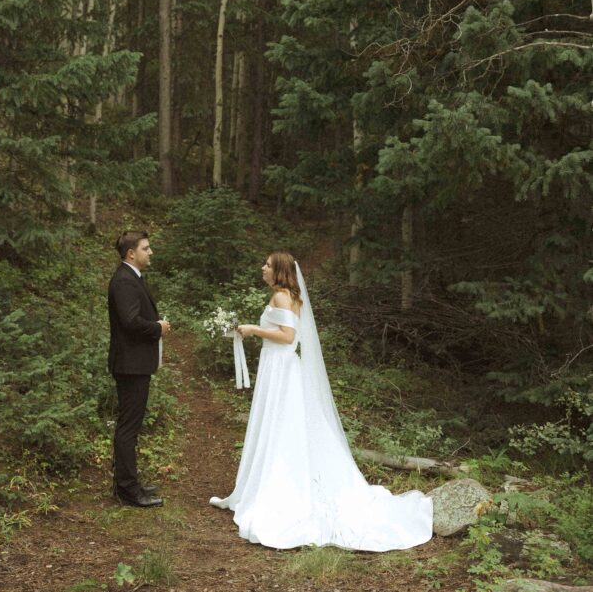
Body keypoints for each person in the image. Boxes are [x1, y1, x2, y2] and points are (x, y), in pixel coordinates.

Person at [210, 251, 433, 550]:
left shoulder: (282, 297)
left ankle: (281, 491)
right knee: (280, 426)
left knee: (281, 427)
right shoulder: (287, 295)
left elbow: (288, 336)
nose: (262, 268)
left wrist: (254, 329)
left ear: (279, 271)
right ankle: (265, 484)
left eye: (267, 264)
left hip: (281, 367)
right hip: (279, 366)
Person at [108, 230, 170, 508]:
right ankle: (128, 490)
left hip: (135, 363)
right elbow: (130, 321)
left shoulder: (131, 278)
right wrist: (157, 327)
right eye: (146, 248)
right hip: (130, 365)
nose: (151, 252)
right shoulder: (124, 281)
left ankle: (128, 483)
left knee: (130, 426)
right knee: (128, 427)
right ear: (131, 253)